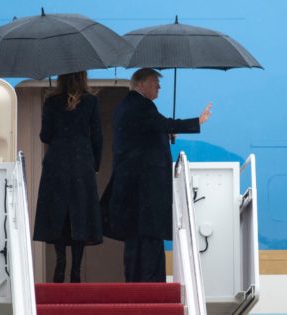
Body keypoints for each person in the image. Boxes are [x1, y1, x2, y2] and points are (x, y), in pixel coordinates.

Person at [101, 68, 211, 282]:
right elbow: (162, 123)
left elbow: (144, 134)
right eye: (155, 82)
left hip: (132, 186)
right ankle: (152, 285)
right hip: (144, 189)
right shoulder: (141, 106)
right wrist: (198, 121)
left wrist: (163, 132)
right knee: (150, 239)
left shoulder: (127, 106)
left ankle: (137, 283)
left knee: (136, 241)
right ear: (141, 84)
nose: (159, 87)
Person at [33, 71, 103, 283]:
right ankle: (76, 269)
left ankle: (60, 261)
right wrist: (95, 165)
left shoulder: (51, 101)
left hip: (57, 163)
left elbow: (45, 136)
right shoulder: (91, 101)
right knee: (80, 212)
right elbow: (97, 136)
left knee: (58, 211)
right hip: (82, 163)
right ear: (83, 77)